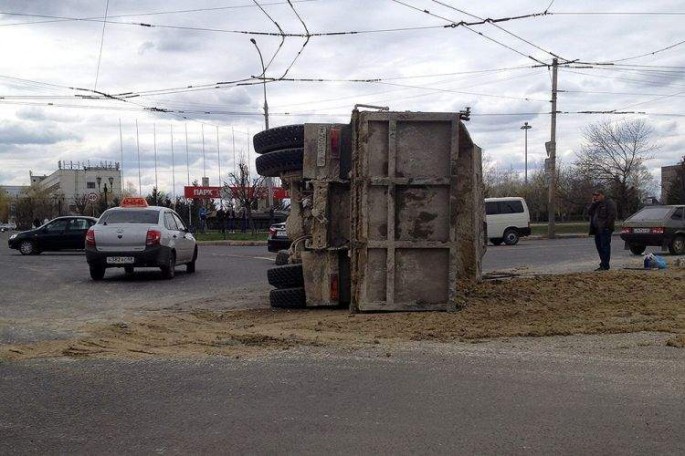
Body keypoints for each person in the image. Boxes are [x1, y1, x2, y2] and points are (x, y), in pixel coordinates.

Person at [587, 188, 617, 271]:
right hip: (596, 229)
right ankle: (603, 263)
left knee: (605, 247)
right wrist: (593, 203)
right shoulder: (596, 204)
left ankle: (605, 265)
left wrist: (606, 226)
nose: (595, 197)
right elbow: (589, 212)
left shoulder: (609, 203)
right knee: (599, 247)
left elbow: (612, 215)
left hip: (605, 229)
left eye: (597, 195)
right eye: (594, 195)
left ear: (602, 195)